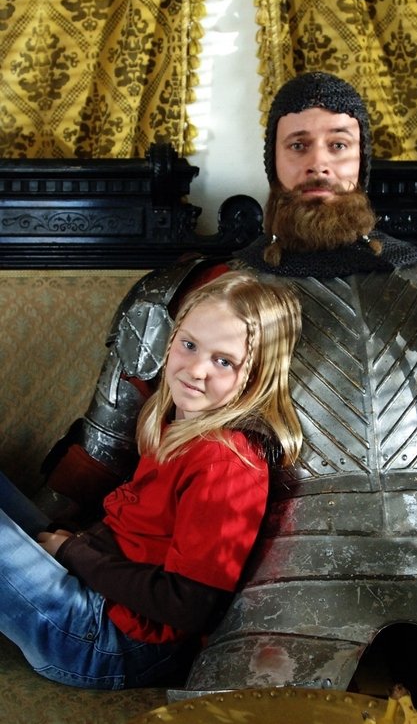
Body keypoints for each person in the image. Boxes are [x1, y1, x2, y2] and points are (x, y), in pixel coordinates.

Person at [34, 72, 417, 721]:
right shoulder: (207, 289)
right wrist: (46, 534)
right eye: (297, 145)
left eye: (338, 144)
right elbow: (110, 439)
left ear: (362, 158)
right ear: (274, 162)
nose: (319, 163)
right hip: (288, 559)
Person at [0, 270, 303, 689]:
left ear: (257, 375)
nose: (196, 370)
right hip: (98, 586)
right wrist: (76, 546)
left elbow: (189, 605)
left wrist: (72, 551)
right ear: (172, 337)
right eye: (189, 345)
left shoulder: (225, 462)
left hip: (111, 643)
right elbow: (140, 533)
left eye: (224, 361)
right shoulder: (175, 420)